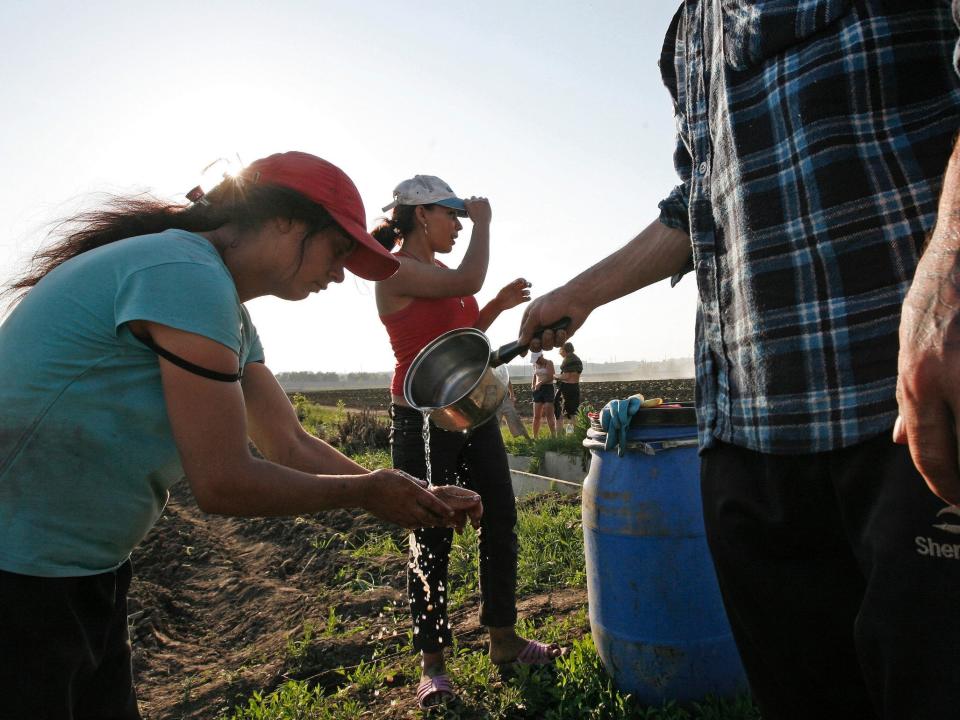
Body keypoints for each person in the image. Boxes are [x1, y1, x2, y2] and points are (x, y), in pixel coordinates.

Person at [518, 5, 960, 719]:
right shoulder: (686, 35)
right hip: (748, 442)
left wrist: (951, 270)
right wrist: (584, 292)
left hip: (910, 415)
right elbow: (697, 201)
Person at [0, 152, 461, 719]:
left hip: (78, 569)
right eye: (337, 251)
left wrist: (410, 490)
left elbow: (287, 443)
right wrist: (367, 492)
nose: (339, 274)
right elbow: (224, 482)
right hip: (19, 573)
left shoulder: (220, 303)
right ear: (288, 220)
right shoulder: (183, 275)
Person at [371, 174, 563, 709]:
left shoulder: (437, 274)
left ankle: (503, 638)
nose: (458, 225)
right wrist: (485, 221)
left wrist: (497, 307)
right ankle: (433, 664)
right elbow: (469, 277)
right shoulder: (395, 271)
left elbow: (461, 337)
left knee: (499, 516)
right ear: (422, 215)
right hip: (421, 418)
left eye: (462, 217)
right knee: (430, 533)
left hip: (468, 414)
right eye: (451, 216)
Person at [553, 341, 583, 428]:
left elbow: (566, 376)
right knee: (573, 412)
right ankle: (573, 434)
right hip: (575, 387)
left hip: (567, 388)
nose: (560, 353)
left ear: (564, 350)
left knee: (568, 413)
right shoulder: (577, 359)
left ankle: (569, 433)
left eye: (561, 350)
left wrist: (555, 376)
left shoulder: (568, 360)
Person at [531, 352, 557, 438]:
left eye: (537, 360)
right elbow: (535, 375)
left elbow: (551, 377)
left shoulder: (549, 363)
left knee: (549, 415)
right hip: (538, 390)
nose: (536, 362)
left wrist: (540, 383)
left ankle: (553, 436)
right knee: (536, 416)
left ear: (541, 356)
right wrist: (533, 384)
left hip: (548, 389)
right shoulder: (535, 364)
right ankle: (535, 437)